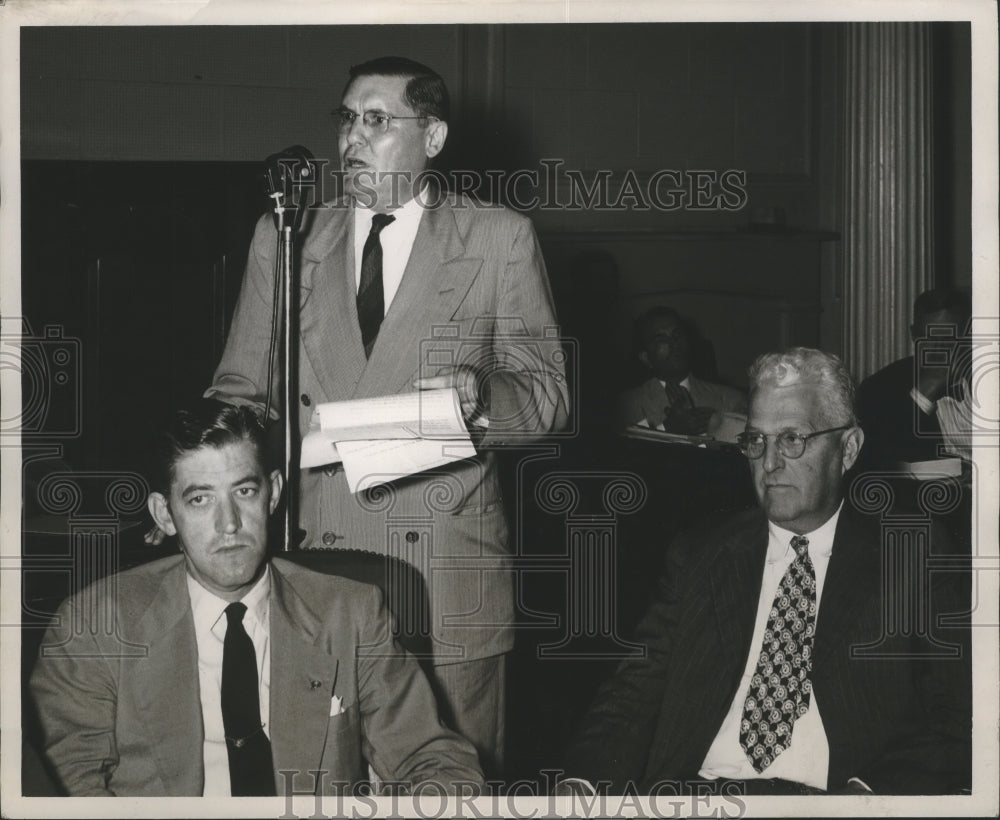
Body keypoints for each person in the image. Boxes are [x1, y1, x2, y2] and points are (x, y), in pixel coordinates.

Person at [201, 56, 569, 776]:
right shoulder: (287, 234)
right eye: (346, 118)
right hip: (314, 566)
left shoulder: (498, 237)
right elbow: (240, 387)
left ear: (432, 137)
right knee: (318, 781)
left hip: (444, 579)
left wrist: (479, 397)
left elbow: (549, 397)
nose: (352, 138)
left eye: (377, 120)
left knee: (451, 784)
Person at [562, 348, 970, 795]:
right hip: (700, 794)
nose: (770, 463)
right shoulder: (702, 552)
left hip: (833, 800)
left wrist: (866, 798)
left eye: (792, 438)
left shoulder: (910, 553)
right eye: (757, 441)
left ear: (848, 448)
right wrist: (581, 784)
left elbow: (956, 715)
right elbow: (631, 693)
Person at [30, 400, 484, 797]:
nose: (229, 523)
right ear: (165, 515)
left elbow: (436, 762)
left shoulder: (351, 613)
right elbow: (66, 785)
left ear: (274, 494)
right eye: (200, 500)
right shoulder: (94, 627)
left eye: (244, 492)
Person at [855, 287, 972, 470]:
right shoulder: (879, 388)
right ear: (914, 335)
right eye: (929, 338)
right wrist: (921, 397)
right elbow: (876, 462)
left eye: (949, 337)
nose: (938, 349)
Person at [619, 306, 745, 435]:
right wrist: (667, 429)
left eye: (677, 334)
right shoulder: (625, 406)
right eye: (661, 339)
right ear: (646, 358)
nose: (674, 343)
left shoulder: (731, 401)